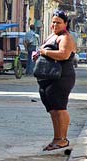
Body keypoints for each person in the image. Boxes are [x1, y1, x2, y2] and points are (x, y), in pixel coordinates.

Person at [32, 10, 77, 151]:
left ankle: (62, 139)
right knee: (53, 109)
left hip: (61, 77)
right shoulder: (53, 35)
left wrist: (44, 52)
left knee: (60, 108)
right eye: (53, 22)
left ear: (66, 24)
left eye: (58, 22)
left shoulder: (66, 37)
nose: (54, 25)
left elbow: (63, 54)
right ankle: (56, 138)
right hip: (48, 77)